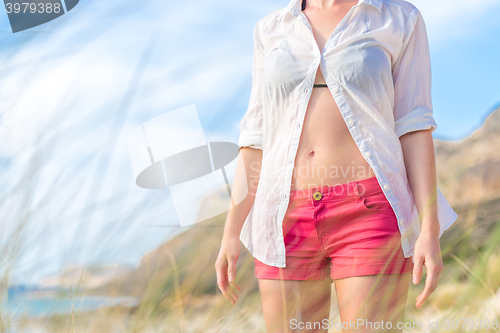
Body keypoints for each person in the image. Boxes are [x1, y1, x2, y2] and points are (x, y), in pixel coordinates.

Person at [215, 0, 458, 332]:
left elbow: (414, 125)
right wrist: (231, 233)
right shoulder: (271, 29)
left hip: (368, 211)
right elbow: (256, 137)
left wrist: (428, 229)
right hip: (283, 217)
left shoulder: (398, 19)